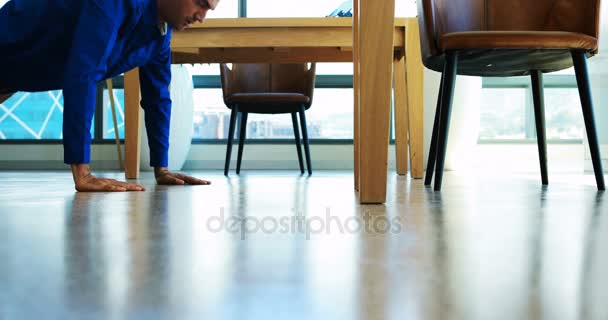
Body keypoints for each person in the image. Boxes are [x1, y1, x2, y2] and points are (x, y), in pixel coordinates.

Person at [0, 0, 218, 192]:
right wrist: (82, 172)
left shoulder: (160, 35)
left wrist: (162, 168)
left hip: (18, 73)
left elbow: (157, 97)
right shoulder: (115, 2)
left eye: (209, 9)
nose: (201, 17)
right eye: (200, 2)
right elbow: (84, 73)